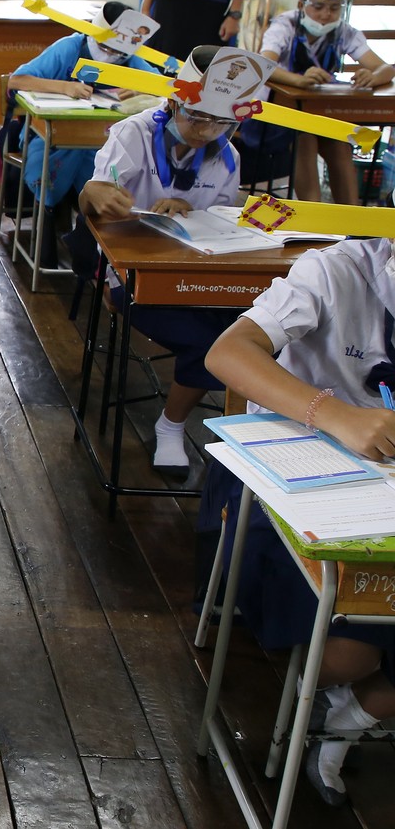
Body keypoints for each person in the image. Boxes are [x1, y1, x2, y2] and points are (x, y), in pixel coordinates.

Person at [204, 238, 395, 807]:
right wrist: (334, 414)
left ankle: (352, 718)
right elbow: (228, 354)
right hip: (300, 481)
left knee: (362, 653)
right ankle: (343, 700)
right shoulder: (335, 272)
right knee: (349, 656)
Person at [77, 46, 244, 474]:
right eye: (197, 118)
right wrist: (97, 196)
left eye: (220, 122)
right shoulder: (134, 134)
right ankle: (172, 427)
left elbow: (222, 220)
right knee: (210, 341)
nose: (206, 131)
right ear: (172, 103)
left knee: (246, 328)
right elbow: (95, 194)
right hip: (129, 272)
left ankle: (245, 426)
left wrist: (194, 211)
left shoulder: (228, 157)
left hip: (197, 267)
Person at [7, 1, 161, 260]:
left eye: (118, 53)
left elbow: (163, 88)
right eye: (104, 48)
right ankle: (47, 232)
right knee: (51, 167)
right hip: (50, 140)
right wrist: (63, 87)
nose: (111, 56)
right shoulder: (70, 48)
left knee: (111, 175)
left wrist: (139, 89)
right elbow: (17, 80)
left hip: (101, 143)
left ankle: (93, 247)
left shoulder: (130, 59)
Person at [258, 0, 394, 204]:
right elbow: (263, 64)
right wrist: (298, 80)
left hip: (318, 112)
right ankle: (313, 214)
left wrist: (373, 77)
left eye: (334, 8)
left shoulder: (343, 31)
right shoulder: (285, 26)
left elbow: (385, 68)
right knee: (305, 138)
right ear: (302, 5)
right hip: (277, 114)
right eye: (318, 6)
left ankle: (351, 219)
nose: (325, 15)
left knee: (340, 143)